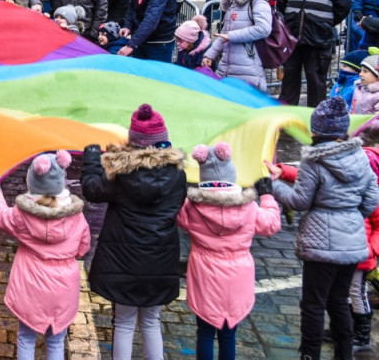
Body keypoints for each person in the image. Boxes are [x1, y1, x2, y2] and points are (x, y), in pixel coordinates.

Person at [266, 98, 379, 360]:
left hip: (321, 245)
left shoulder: (314, 161)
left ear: (318, 130)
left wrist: (271, 185)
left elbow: (299, 201)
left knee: (313, 304)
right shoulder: (361, 157)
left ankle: (310, 355)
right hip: (353, 241)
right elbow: (372, 200)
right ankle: (344, 354)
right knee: (339, 301)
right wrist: (349, 216)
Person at [81, 104, 186, 360]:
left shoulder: (121, 174)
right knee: (151, 321)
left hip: (123, 262)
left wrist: (93, 159)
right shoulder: (177, 175)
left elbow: (92, 190)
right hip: (160, 261)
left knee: (125, 323)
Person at [0, 152, 90, 360]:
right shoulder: (75, 214)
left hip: (30, 285)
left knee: (26, 338)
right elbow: (83, 247)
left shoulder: (22, 215)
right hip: (64, 287)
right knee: (57, 341)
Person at [178, 143, 280, 360]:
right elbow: (271, 225)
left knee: (204, 332)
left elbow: (175, 216)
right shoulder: (249, 207)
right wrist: (268, 197)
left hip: (204, 273)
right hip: (238, 274)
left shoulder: (192, 207)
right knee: (228, 333)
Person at [277, 0, 351, 106]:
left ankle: (316, 118)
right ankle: (286, 118)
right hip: (293, 39)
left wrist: (325, 23)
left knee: (316, 80)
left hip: (319, 39)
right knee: (289, 79)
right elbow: (281, 3)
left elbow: (343, 7)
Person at [201, 0, 274, 91]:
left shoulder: (258, 1)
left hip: (248, 69)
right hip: (227, 67)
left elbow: (264, 29)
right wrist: (210, 55)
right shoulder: (235, 1)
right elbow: (224, 34)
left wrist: (232, 36)